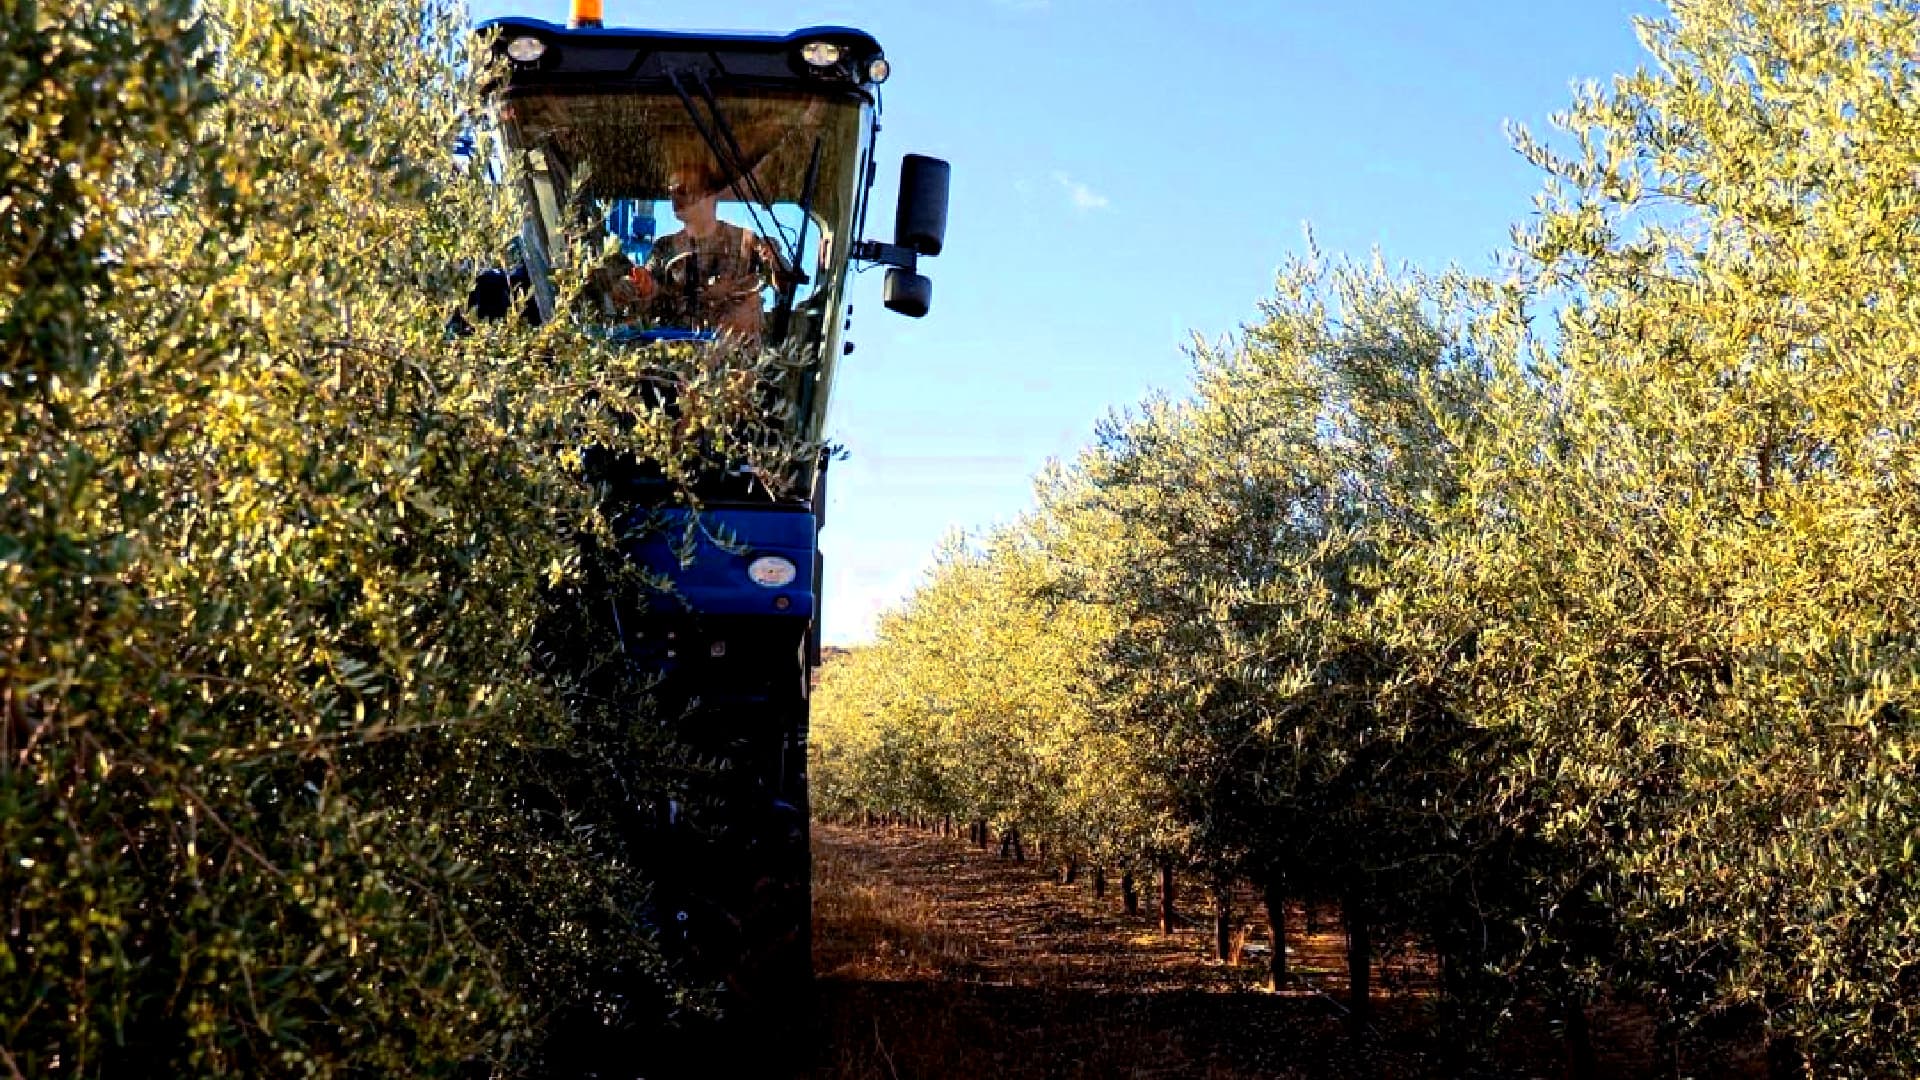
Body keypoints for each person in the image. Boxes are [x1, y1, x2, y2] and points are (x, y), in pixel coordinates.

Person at [631, 170, 788, 341]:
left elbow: (785, 284)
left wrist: (774, 261)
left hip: (737, 348)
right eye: (671, 191)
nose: (675, 197)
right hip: (677, 348)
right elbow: (647, 287)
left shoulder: (746, 242)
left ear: (709, 195)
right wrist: (642, 285)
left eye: (683, 190)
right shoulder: (665, 247)